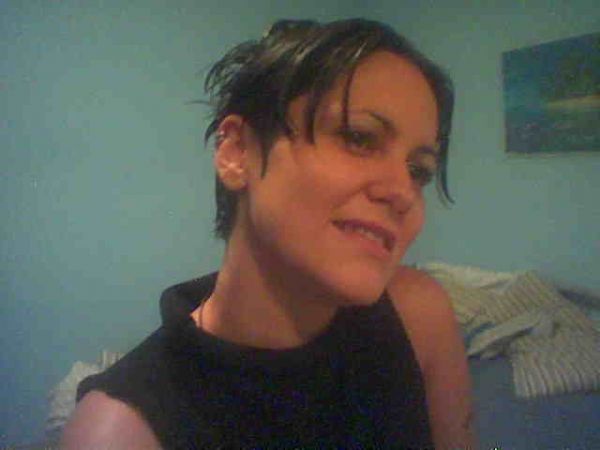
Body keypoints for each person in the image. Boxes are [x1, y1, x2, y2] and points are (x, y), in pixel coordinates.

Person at [61, 18, 475, 449]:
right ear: (237, 151)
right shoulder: (120, 432)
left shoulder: (418, 317)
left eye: (418, 171)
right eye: (359, 138)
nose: (403, 193)